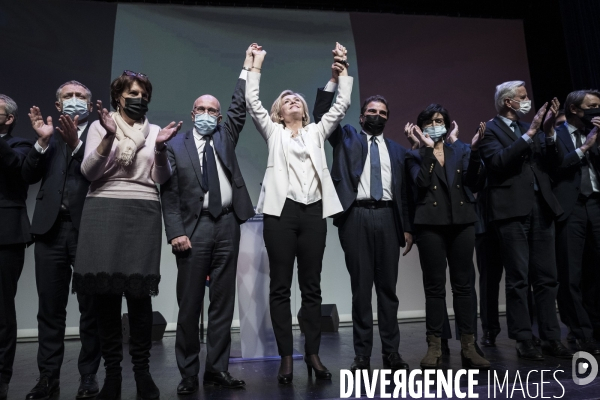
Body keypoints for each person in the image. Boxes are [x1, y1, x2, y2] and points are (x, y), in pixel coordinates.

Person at [245, 43, 353, 383]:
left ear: (305, 112)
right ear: (279, 112)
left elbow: (342, 105)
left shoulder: (317, 132)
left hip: (312, 214)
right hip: (281, 214)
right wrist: (255, 66)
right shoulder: (273, 131)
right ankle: (285, 358)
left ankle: (313, 354)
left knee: (311, 287)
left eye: (298, 101)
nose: (293, 102)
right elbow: (252, 103)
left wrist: (342, 71)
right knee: (280, 286)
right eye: (287, 100)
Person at [71, 71, 182, 399]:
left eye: (145, 94)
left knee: (138, 296)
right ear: (118, 96)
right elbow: (89, 172)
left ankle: (143, 373)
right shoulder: (98, 126)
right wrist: (108, 138)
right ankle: (113, 376)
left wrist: (160, 150)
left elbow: (160, 178)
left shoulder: (156, 131)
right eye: (133, 92)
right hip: (103, 208)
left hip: (143, 210)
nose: (140, 98)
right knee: (105, 297)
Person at [160, 44, 256, 393]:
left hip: (227, 224)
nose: (205, 113)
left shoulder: (225, 136)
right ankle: (188, 374)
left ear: (218, 117)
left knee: (222, 303)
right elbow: (168, 194)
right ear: (192, 111)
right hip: (194, 228)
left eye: (211, 110)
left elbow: (239, 106)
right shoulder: (176, 145)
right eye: (200, 108)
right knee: (189, 306)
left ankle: (216, 370)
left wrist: (247, 67)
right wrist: (175, 232)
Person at [312, 48, 413, 373]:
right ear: (361, 115)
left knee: (388, 291)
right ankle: (361, 356)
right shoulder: (346, 137)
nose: (378, 116)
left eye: (383, 113)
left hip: (387, 218)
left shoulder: (397, 151)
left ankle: (392, 355)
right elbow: (322, 113)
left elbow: (404, 194)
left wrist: (407, 227)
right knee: (360, 290)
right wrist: (335, 78)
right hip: (355, 216)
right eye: (372, 110)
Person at [478, 80, 572, 360]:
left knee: (547, 277)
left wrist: (549, 132)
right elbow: (497, 163)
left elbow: (552, 163)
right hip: (511, 212)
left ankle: (551, 337)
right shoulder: (489, 130)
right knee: (518, 278)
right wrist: (530, 133)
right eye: (523, 96)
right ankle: (523, 338)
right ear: (509, 102)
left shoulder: (527, 129)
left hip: (540, 207)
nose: (527, 100)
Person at [22, 81, 102, 399]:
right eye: (67, 96)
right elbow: (27, 176)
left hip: (87, 231)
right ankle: (47, 378)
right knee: (50, 310)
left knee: (90, 309)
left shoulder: (100, 135)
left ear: (88, 103)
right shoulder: (48, 136)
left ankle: (87, 377)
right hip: (50, 231)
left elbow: (101, 174)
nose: (73, 100)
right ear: (58, 105)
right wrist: (41, 143)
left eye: (80, 96)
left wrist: (78, 145)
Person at [405, 104, 490, 369]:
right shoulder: (415, 155)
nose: (435, 124)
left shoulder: (461, 150)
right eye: (430, 121)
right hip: (430, 226)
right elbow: (420, 184)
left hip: (462, 223)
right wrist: (427, 149)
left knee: (463, 287)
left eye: (439, 120)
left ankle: (468, 346)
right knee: (434, 287)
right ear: (421, 128)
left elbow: (475, 182)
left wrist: (474, 150)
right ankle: (435, 346)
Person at [552, 89, 600, 355]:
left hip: (596, 204)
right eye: (591, 106)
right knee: (571, 274)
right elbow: (557, 167)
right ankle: (581, 333)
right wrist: (585, 147)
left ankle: (597, 326)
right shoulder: (556, 135)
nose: (596, 111)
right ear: (574, 109)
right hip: (571, 208)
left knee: (596, 271)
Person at [0, 94, 32, 400]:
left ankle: (1, 376)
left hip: (5, 234)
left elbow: (15, 168)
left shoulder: (20, 144)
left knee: (1, 308)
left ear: (9, 119)